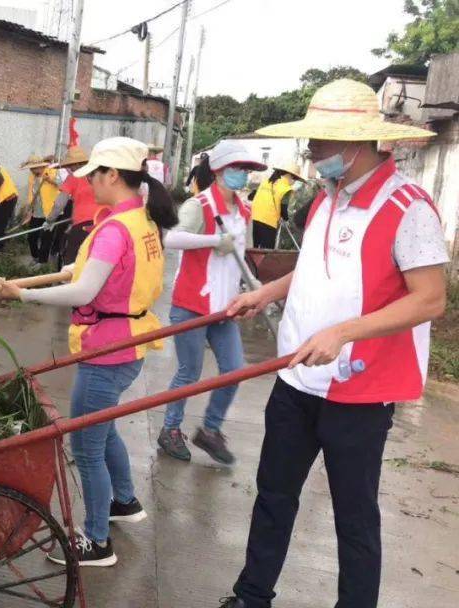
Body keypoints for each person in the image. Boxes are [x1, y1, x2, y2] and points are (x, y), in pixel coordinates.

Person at [219, 79, 447, 608]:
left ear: (358, 142)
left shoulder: (408, 208)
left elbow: (429, 299)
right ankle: (251, 596)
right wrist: (268, 292)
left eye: (322, 140)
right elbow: (316, 269)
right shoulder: (326, 198)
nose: (312, 150)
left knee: (354, 516)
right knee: (273, 496)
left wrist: (343, 332)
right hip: (296, 376)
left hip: (360, 391)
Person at [0, 137, 179, 567]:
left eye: (93, 176)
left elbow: (83, 289)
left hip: (108, 348)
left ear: (112, 175)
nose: (88, 185)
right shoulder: (140, 219)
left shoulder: (117, 227)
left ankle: (96, 541)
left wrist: (22, 297)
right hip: (126, 341)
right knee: (103, 427)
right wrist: (33, 282)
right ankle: (125, 502)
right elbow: (86, 270)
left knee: (86, 446)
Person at [157, 140, 265, 465]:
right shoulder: (199, 205)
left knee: (233, 370)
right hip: (191, 302)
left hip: (225, 307)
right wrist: (213, 240)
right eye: (238, 169)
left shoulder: (244, 210)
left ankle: (210, 430)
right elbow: (171, 238)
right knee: (189, 372)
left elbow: (238, 254)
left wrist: (252, 285)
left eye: (247, 170)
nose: (243, 175)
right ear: (218, 170)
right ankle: (170, 430)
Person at [46, 145, 109, 267]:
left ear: (75, 164)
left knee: (72, 262)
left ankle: (67, 282)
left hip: (83, 225)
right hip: (105, 222)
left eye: (70, 165)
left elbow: (59, 204)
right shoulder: (101, 174)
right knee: (99, 260)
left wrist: (49, 220)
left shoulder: (74, 177)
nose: (70, 168)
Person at [19, 154, 60, 266]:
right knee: (32, 237)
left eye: (34, 168)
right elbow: (31, 194)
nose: (32, 170)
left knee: (46, 238)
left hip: (50, 212)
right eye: (31, 168)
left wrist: (50, 180)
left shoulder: (51, 172)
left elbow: (62, 185)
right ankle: (35, 256)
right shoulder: (32, 176)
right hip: (37, 212)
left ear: (41, 166)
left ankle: (42, 262)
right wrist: (29, 211)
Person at [251, 165, 303, 248]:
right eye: (295, 178)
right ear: (289, 176)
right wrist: (288, 219)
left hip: (256, 217)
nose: (295, 181)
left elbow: (252, 196)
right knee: (266, 251)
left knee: (256, 248)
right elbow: (284, 209)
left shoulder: (266, 182)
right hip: (269, 221)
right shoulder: (286, 189)